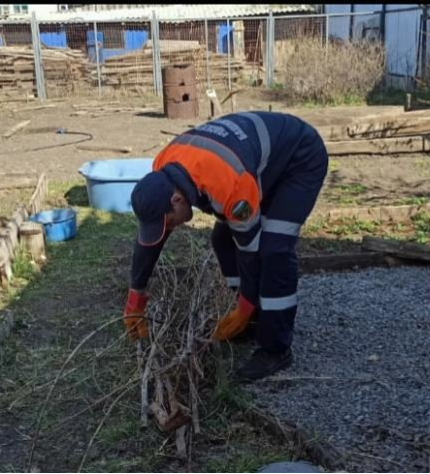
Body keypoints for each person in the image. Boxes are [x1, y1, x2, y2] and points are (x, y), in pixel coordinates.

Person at [122, 111, 328, 382]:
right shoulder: (164, 166)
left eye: (169, 223)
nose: (170, 229)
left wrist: (245, 306)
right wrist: (137, 296)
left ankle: (275, 348)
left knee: (274, 249)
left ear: (176, 200)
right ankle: (252, 321)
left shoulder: (228, 186)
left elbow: (250, 253)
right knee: (222, 239)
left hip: (299, 159)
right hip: (258, 165)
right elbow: (153, 239)